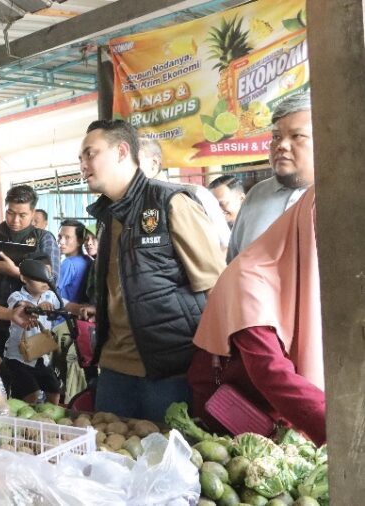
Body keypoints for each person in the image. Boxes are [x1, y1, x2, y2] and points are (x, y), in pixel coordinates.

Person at [79, 119, 225, 421]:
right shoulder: (106, 216)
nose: (83, 164)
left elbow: (217, 287)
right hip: (114, 368)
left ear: (121, 151)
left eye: (90, 154)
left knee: (169, 461)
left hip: (169, 370)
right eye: (81, 157)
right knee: (112, 458)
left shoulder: (171, 202)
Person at [188, 187, 324, 445]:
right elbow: (270, 372)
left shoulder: (306, 274)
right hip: (238, 425)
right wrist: (343, 428)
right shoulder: (249, 279)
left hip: (279, 421)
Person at [0, 185, 61, 357]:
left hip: (30, 324)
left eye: (22, 215)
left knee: (29, 374)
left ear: (33, 212)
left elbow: (51, 280)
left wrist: (15, 272)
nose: (15, 220)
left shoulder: (44, 238)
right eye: (10, 213)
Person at [227, 92, 314, 262]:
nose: (281, 145)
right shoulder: (256, 194)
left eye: (297, 136)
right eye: (276, 137)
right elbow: (234, 263)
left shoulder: (342, 196)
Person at [139, 137, 231, 252]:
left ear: (154, 163)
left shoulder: (195, 194)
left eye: (134, 161)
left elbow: (226, 246)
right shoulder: (125, 205)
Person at [3, 258, 64, 404]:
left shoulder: (51, 296)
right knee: (31, 394)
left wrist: (82, 308)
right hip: (18, 358)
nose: (45, 281)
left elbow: (65, 305)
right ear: (24, 278)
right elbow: (19, 305)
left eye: (48, 276)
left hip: (41, 357)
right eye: (39, 277)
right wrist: (34, 307)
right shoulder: (16, 296)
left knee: (54, 391)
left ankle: (48, 420)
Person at [56, 219, 92, 304]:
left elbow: (50, 292)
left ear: (80, 241)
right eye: (60, 237)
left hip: (60, 315)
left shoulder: (69, 263)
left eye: (67, 237)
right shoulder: (88, 260)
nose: (61, 241)